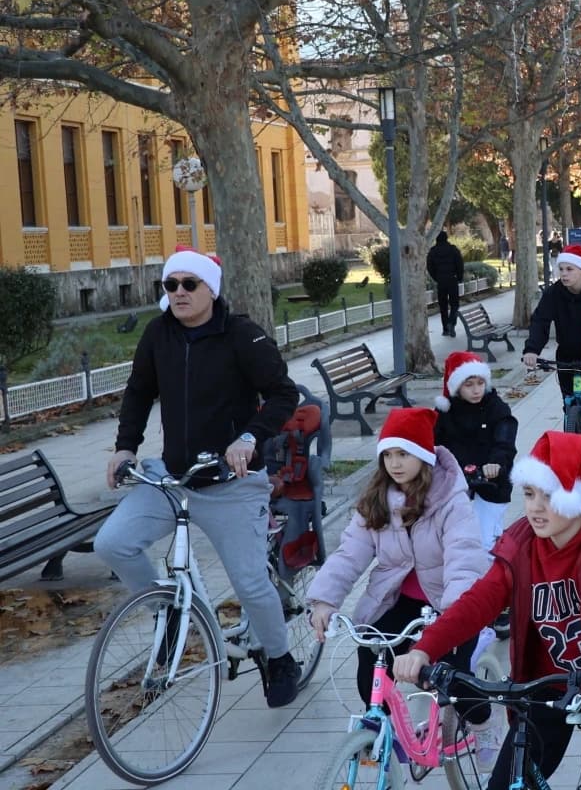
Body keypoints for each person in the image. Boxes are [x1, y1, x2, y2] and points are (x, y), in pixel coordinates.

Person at [392, 432, 581, 790]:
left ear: (576, 499)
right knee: (508, 782)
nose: (535, 507)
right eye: (528, 494)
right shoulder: (521, 545)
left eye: (548, 496)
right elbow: (479, 602)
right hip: (549, 684)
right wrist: (425, 647)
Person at [97, 247, 303, 708]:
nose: (180, 293)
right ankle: (167, 614)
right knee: (112, 543)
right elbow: (138, 392)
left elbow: (282, 394)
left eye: (190, 284)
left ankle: (280, 656)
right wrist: (125, 446)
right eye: (171, 285)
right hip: (173, 478)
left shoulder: (242, 336)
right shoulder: (158, 334)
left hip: (231, 483)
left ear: (211, 288)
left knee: (250, 583)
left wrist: (250, 437)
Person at [305, 408, 499, 757]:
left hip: (451, 601)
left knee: (450, 677)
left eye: (404, 453)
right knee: (372, 657)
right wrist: (324, 599)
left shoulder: (451, 501)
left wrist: (455, 616)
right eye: (388, 455)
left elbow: (463, 558)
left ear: (423, 456)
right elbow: (350, 553)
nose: (394, 463)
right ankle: (382, 729)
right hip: (398, 600)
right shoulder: (377, 501)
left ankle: (483, 722)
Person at [522, 245, 581, 443]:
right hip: (568, 356)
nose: (564, 274)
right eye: (561, 269)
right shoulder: (554, 293)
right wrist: (532, 349)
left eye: (569, 269)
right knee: (572, 400)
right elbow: (540, 321)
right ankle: (574, 425)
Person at [433, 352, 518, 552]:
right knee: (452, 540)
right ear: (457, 386)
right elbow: (433, 445)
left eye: (480, 383)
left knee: (484, 541)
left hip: (491, 482)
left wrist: (497, 463)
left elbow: (505, 440)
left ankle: (488, 578)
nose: (476, 390)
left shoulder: (496, 408)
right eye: (469, 384)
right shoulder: (445, 413)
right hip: (457, 483)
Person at [427, 229, 465, 337]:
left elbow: (429, 267)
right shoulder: (453, 250)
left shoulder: (433, 251)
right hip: (452, 280)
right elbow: (460, 264)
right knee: (455, 304)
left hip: (441, 281)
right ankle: (451, 323)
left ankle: (445, 329)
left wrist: (436, 278)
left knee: (443, 306)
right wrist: (459, 277)